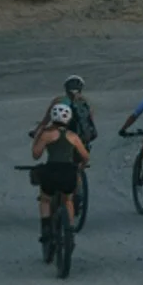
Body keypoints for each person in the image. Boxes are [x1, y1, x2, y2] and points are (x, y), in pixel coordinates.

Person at [30, 100, 89, 245]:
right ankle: (69, 230)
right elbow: (85, 157)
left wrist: (37, 137)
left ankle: (46, 229)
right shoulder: (73, 136)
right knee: (68, 200)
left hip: (51, 171)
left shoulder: (46, 135)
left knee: (45, 199)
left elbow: (36, 154)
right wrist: (81, 166)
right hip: (68, 172)